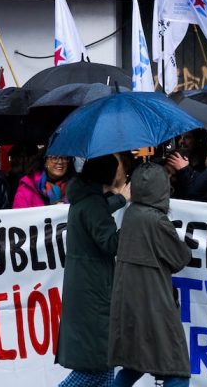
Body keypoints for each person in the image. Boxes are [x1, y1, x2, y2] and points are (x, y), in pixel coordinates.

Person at [108, 163, 192, 387]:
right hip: (155, 304)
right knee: (176, 369)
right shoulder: (156, 220)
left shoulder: (131, 213)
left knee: (133, 364)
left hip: (131, 302)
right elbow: (180, 259)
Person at [56, 154, 130, 387]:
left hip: (87, 288)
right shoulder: (93, 203)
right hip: (94, 291)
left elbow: (96, 214)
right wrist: (135, 223)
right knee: (99, 364)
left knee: (104, 364)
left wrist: (120, 200)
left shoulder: (84, 198)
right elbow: (110, 243)